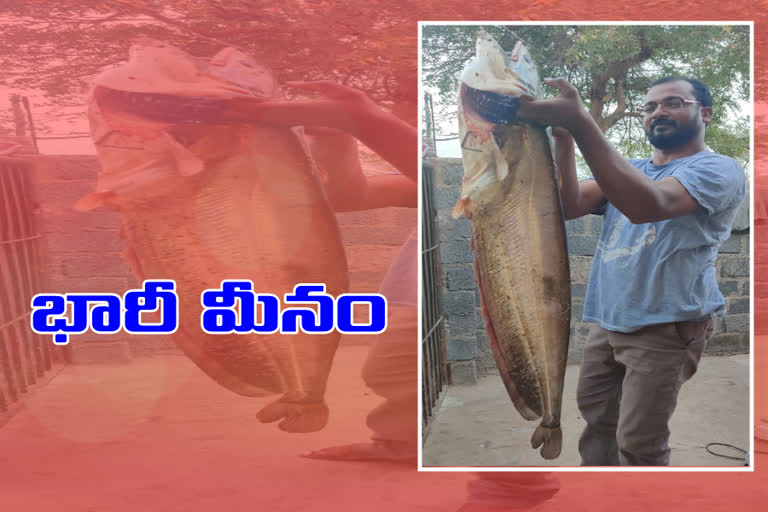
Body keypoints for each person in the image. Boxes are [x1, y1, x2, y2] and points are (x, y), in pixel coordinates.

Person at [517, 76, 746, 466]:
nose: (659, 111)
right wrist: (564, 141)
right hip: (608, 321)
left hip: (666, 327)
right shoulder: (629, 170)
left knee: (639, 442)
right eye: (650, 106)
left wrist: (581, 122)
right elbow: (566, 205)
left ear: (704, 113)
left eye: (673, 102)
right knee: (597, 425)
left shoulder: (719, 169)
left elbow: (649, 204)